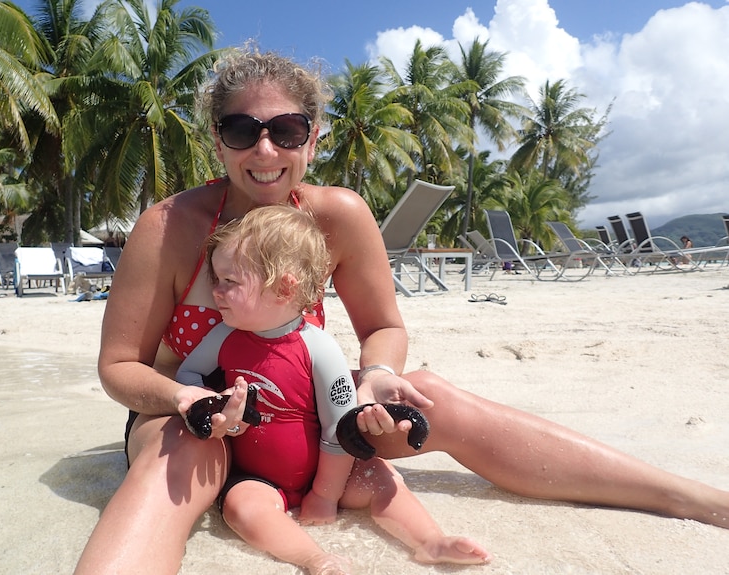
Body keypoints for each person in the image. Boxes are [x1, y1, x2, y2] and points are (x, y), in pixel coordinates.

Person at [75, 49, 729, 574]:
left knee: (432, 397)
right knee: (181, 450)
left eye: (286, 129)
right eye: (243, 130)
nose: (265, 150)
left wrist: (378, 373)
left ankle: (691, 499)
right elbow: (117, 367)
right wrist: (190, 402)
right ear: (219, 140)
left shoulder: (337, 215)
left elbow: (382, 327)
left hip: (304, 420)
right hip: (189, 412)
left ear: (314, 136)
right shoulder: (168, 227)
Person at [174, 205, 490, 573]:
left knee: (381, 478)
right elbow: (189, 374)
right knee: (241, 508)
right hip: (258, 478)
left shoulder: (317, 347)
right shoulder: (224, 335)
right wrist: (210, 402)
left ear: (283, 287)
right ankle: (313, 557)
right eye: (216, 279)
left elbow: (339, 428)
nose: (216, 291)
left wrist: (325, 495)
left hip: (331, 473)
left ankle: (430, 542)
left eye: (230, 281)